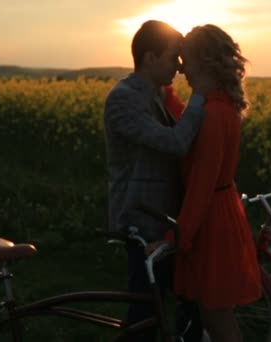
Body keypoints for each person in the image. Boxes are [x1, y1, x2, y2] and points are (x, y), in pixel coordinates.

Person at [146, 24, 262, 342]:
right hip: (218, 213)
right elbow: (185, 121)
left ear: (203, 62)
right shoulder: (220, 106)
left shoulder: (213, 114)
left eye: (186, 61)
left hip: (212, 221)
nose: (181, 71)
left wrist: (175, 238)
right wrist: (163, 89)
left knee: (217, 317)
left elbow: (201, 184)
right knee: (214, 315)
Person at [103, 20, 212, 342]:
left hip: (162, 221)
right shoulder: (123, 99)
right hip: (140, 222)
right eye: (172, 57)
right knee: (144, 318)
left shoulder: (156, 96)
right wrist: (200, 97)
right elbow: (175, 144)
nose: (179, 68)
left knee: (177, 308)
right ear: (150, 58)